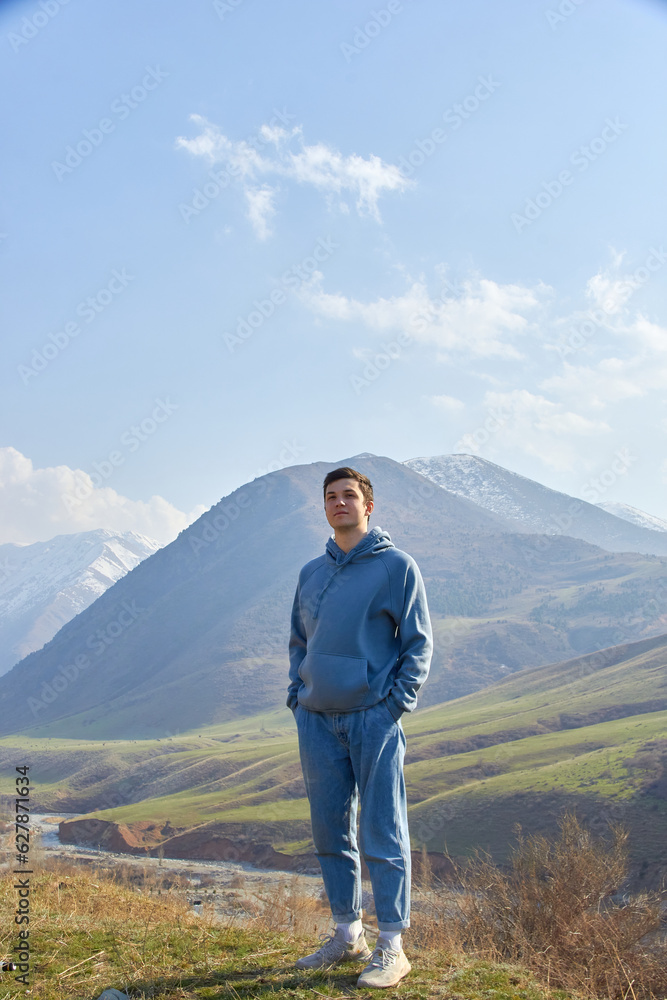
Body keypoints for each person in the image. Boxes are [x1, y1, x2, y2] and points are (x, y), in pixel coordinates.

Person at [287, 466, 433, 988]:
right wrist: (296, 697)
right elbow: (299, 642)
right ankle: (347, 934)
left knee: (383, 827)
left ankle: (393, 945)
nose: (340, 503)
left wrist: (394, 706)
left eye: (349, 495)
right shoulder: (310, 573)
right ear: (324, 508)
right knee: (330, 829)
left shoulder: (396, 567)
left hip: (374, 719)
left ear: (368, 507)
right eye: (331, 496)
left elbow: (418, 643)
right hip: (317, 721)